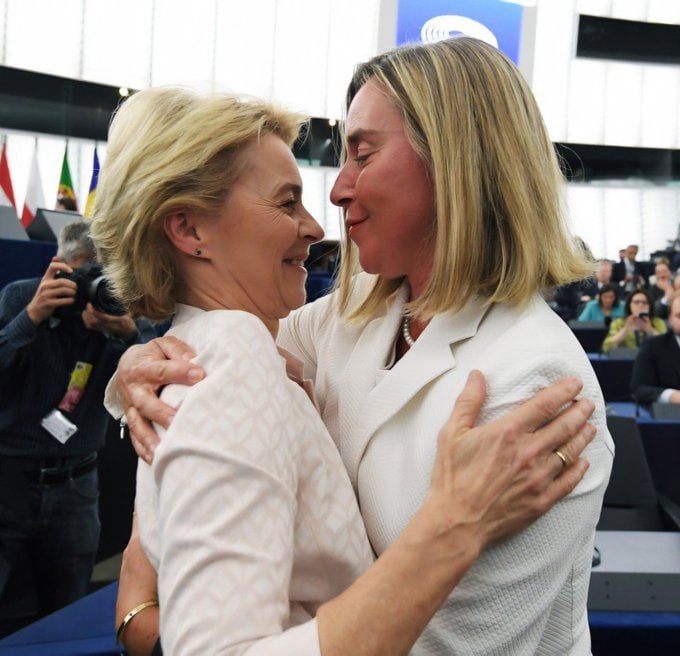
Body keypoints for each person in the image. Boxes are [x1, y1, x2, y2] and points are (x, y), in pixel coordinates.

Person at [108, 38, 613, 655]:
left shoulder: (536, 381)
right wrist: (138, 369)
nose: (337, 191)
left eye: (362, 155)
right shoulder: (358, 312)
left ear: (454, 161)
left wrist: (147, 618)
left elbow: (444, 648)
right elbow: (228, 342)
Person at [0, 221, 154, 632]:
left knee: (67, 610)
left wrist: (129, 334)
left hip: (77, 486)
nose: (94, 286)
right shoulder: (22, 297)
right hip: (8, 479)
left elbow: (159, 380)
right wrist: (31, 317)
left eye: (104, 274)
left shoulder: (120, 311)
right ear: (60, 267)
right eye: (85, 273)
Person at [630, 291, 680, 405]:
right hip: (671, 412)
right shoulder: (653, 346)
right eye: (679, 316)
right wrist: (672, 395)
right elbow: (639, 388)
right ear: (670, 318)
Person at [601, 289, 666, 354]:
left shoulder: (658, 322)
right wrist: (625, 330)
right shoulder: (618, 322)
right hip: (626, 358)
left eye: (645, 303)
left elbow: (668, 347)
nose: (640, 305)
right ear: (630, 305)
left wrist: (650, 330)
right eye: (636, 302)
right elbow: (606, 349)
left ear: (650, 306)